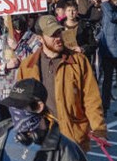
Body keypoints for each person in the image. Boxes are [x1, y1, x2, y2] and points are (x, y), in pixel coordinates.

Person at [17, 15, 105, 151]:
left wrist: (99, 129)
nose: (58, 38)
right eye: (52, 35)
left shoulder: (78, 61)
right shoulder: (27, 65)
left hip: (73, 137)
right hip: (42, 138)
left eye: (59, 32)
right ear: (40, 38)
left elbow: (91, 98)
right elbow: (20, 103)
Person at [0, 15, 41, 121]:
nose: (17, 21)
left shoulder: (35, 40)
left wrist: (17, 49)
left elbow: (36, 62)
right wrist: (6, 66)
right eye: (13, 19)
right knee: (6, 125)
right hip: (4, 94)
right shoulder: (1, 41)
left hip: (26, 93)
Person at [98, 0, 117, 116]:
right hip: (107, 50)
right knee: (106, 81)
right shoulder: (109, 10)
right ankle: (105, 107)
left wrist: (105, 3)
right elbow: (105, 26)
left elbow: (114, 18)